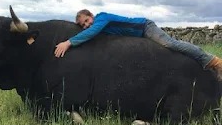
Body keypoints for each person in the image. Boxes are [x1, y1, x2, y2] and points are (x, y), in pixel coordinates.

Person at [54, 9, 222, 80]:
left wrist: (69, 42)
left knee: (169, 44)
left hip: (144, 28)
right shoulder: (97, 25)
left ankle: (213, 61)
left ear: (91, 15)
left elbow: (91, 33)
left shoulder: (101, 18)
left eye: (86, 20)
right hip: (137, 38)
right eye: (83, 25)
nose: (86, 25)